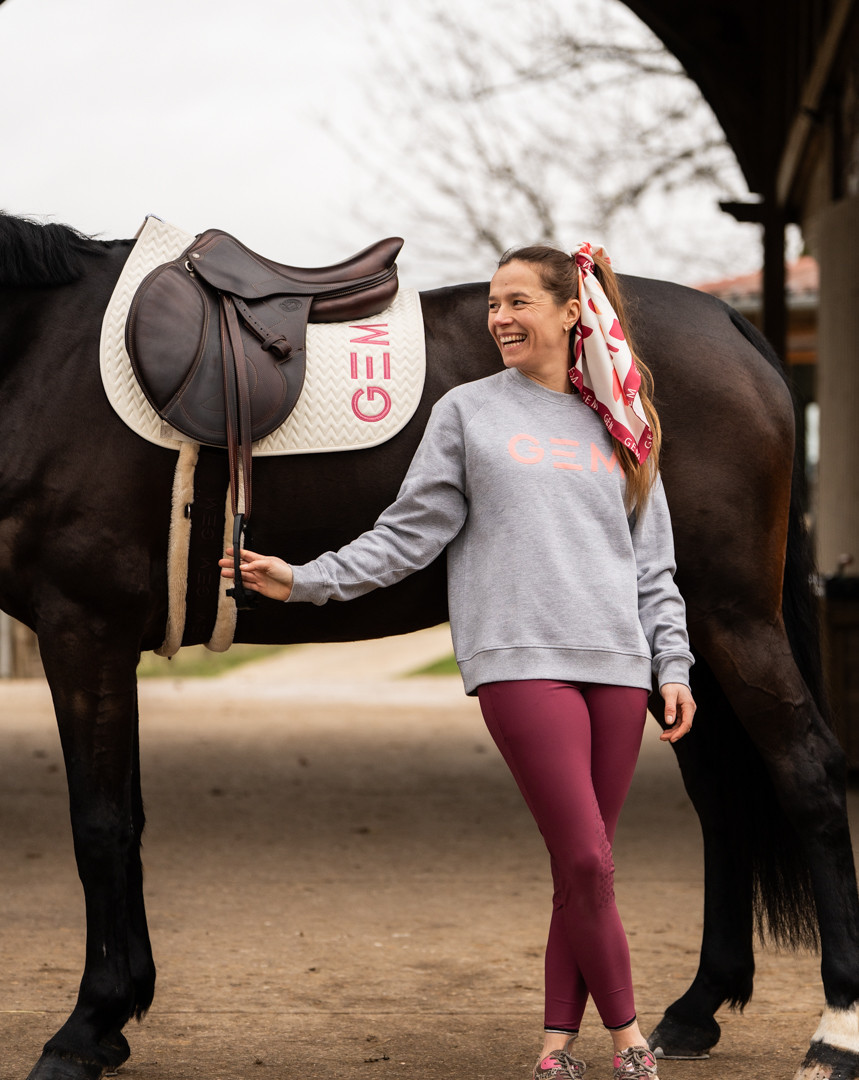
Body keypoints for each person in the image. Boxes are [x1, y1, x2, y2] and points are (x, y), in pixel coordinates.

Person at [219, 242, 696, 1080]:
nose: (500, 318)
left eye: (517, 302)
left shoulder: (625, 423)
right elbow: (411, 533)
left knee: (581, 867)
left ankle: (555, 1048)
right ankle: (629, 1042)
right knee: (586, 858)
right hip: (519, 660)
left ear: (569, 312)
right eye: (492, 305)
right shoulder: (469, 412)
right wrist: (305, 580)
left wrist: (673, 666)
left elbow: (651, 567)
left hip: (619, 666)